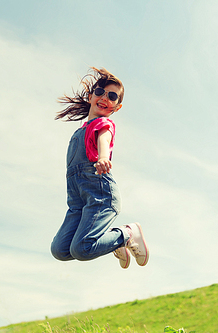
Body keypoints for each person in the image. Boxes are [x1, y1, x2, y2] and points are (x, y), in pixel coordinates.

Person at [50, 67, 149, 269]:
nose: (105, 98)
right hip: (78, 202)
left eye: (112, 96)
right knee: (60, 250)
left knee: (82, 249)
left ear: (116, 107)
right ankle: (109, 241)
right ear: (90, 96)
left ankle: (126, 234)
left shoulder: (103, 124)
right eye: (100, 92)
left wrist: (103, 157)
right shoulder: (81, 130)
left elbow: (104, 138)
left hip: (100, 196)